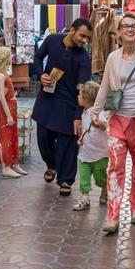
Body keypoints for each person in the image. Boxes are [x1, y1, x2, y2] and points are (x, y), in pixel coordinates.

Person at [91, 12, 135, 234]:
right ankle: (113, 216)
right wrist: (96, 111)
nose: (129, 29)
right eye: (125, 26)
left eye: (133, 26)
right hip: (118, 120)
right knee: (115, 167)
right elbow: (105, 87)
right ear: (119, 32)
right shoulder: (113, 57)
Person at [32, 18, 93, 196]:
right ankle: (51, 165)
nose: (85, 41)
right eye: (82, 36)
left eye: (88, 38)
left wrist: (77, 116)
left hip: (69, 104)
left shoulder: (84, 58)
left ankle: (65, 179)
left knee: (68, 143)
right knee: (43, 138)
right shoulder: (52, 40)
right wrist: (40, 74)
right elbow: (37, 57)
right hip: (47, 99)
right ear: (72, 30)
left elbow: (83, 88)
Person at [73, 81, 108, 211]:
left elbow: (104, 125)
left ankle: (105, 189)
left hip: (100, 154)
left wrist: (99, 124)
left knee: (100, 178)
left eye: (80, 94)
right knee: (84, 177)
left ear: (87, 97)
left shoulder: (98, 112)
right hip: (85, 153)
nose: (78, 96)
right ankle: (84, 198)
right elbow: (86, 129)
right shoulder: (84, 112)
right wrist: (81, 139)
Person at [0, 46, 26, 178]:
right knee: (5, 136)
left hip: (11, 105)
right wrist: (7, 115)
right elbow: (1, 96)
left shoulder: (3, 74)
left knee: (13, 135)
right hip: (6, 107)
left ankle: (14, 163)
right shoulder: (0, 75)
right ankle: (5, 167)